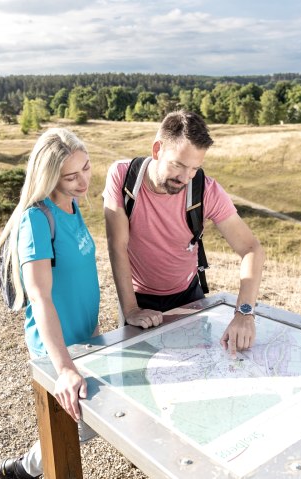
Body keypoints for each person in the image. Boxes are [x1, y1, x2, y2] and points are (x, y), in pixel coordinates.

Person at [103, 110, 265, 357]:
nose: (185, 178)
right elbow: (117, 245)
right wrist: (131, 309)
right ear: (157, 150)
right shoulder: (123, 177)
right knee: (135, 377)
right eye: (178, 165)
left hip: (189, 296)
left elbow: (251, 249)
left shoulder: (206, 190)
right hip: (135, 297)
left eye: (194, 169)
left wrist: (244, 313)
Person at [0, 128, 99, 479]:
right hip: (57, 348)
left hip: (85, 338)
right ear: (50, 176)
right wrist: (65, 366)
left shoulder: (71, 205)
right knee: (87, 421)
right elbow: (39, 296)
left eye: (85, 168)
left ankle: (24, 468)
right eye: (71, 176)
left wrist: (95, 332)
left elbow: (79, 276)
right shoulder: (37, 220)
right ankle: (24, 470)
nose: (83, 181)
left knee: (89, 420)